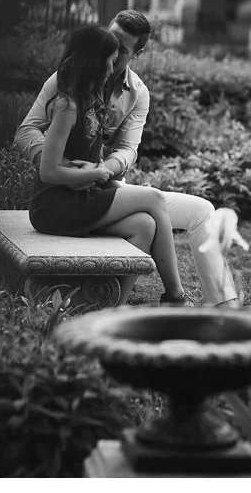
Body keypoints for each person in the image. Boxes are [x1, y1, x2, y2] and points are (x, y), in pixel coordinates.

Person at [15, 9, 240, 307]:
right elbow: (27, 131)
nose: (111, 51)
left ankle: (224, 306)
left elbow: (127, 151)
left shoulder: (136, 93)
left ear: (137, 53)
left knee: (199, 210)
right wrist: (69, 168)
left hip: (107, 187)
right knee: (152, 207)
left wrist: (100, 170)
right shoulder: (67, 83)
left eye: (120, 49)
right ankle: (175, 298)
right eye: (109, 39)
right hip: (75, 191)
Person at [26, 23, 192, 306]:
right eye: (111, 60)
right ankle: (176, 298)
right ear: (95, 62)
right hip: (55, 205)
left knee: (144, 227)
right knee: (154, 198)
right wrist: (97, 171)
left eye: (119, 58)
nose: (113, 66)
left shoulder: (91, 99)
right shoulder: (68, 105)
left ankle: (111, 307)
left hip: (80, 195)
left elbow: (118, 151)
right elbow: (48, 171)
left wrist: (97, 170)